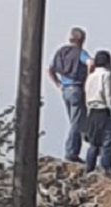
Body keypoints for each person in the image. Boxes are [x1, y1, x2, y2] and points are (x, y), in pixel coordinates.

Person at [47, 27, 93, 163]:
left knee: (75, 121)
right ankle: (71, 152)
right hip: (77, 88)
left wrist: (58, 83)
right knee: (76, 122)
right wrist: (88, 80)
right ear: (82, 40)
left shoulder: (61, 52)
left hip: (65, 90)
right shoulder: (80, 53)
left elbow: (49, 68)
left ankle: (81, 141)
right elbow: (91, 63)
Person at [83, 50, 111, 174]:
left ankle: (89, 169)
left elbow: (87, 94)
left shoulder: (90, 76)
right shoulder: (107, 75)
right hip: (104, 111)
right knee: (107, 143)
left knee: (94, 143)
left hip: (92, 112)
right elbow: (110, 95)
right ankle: (105, 169)